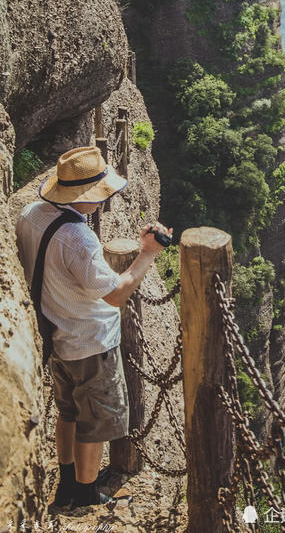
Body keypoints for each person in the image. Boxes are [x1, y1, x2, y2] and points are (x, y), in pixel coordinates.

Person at [16, 145, 170, 509]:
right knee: (94, 422)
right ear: (81, 196)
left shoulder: (30, 214)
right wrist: (146, 253)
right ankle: (85, 495)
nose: (103, 200)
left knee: (67, 411)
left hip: (56, 334)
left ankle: (68, 482)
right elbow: (115, 294)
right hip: (90, 342)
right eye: (98, 194)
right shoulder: (79, 239)